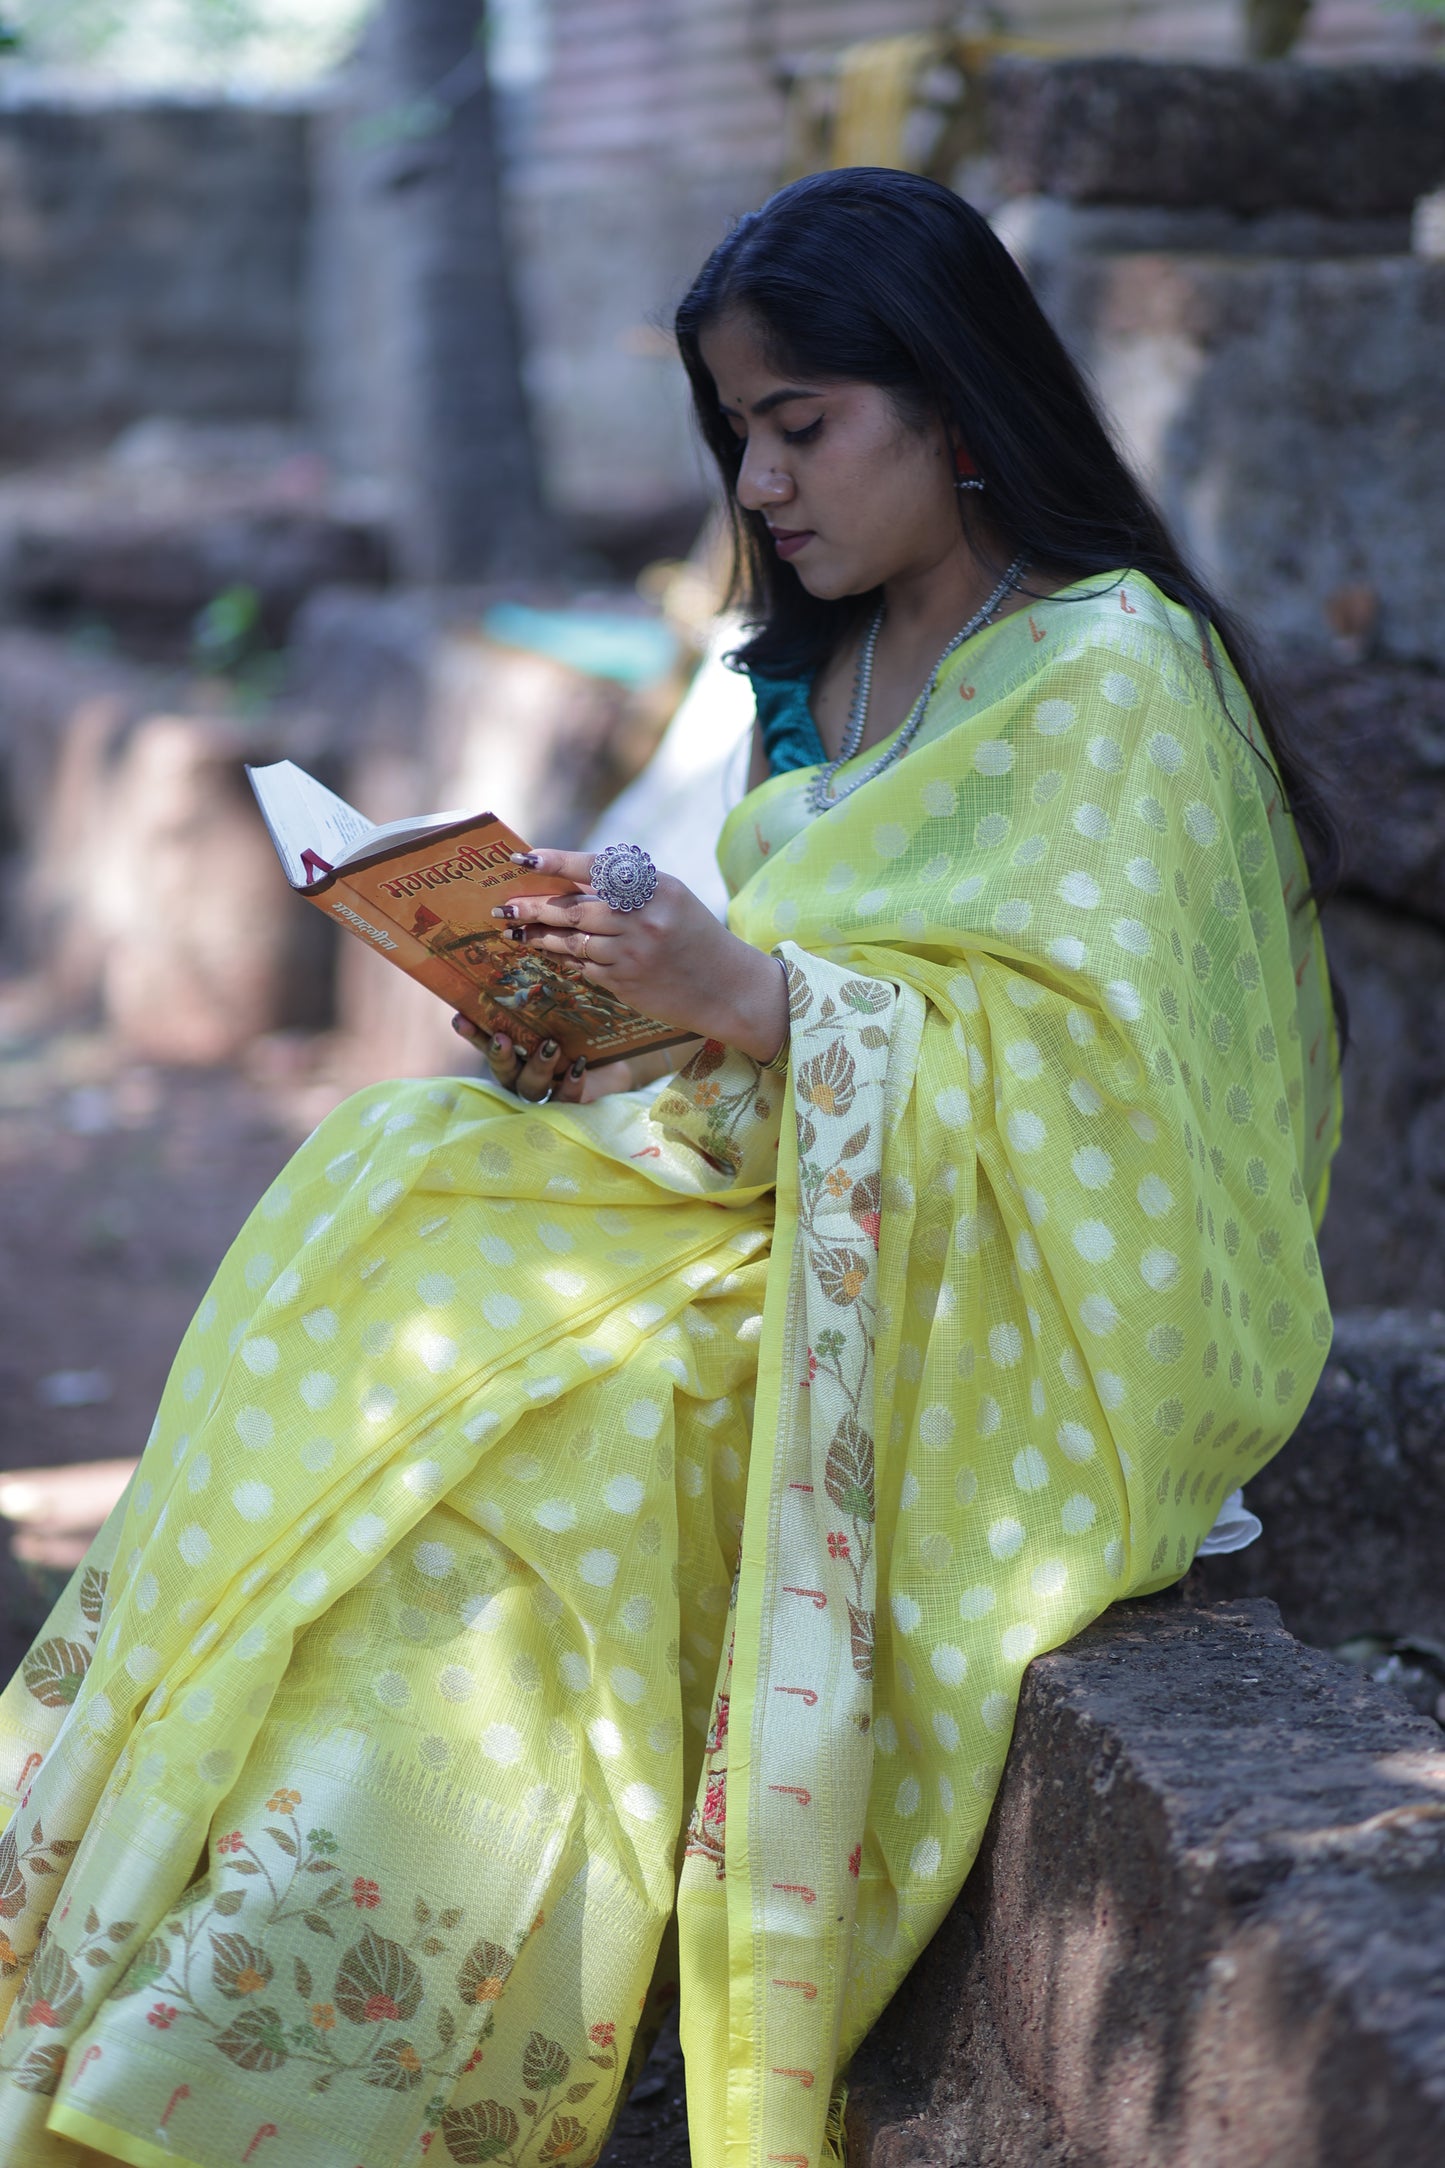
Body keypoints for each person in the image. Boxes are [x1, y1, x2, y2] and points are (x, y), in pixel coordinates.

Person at [0, 169, 1342, 2168]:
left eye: (804, 425)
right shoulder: (846, 664)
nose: (764, 481)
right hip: (777, 1209)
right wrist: (586, 1014)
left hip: (987, 1316)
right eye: (741, 436)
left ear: (956, 402)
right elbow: (814, 997)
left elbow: (1120, 1109)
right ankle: (186, 1969)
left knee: (552, 1434)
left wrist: (753, 994)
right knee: (400, 1205)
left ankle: (309, 2067)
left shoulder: (1111, 673)